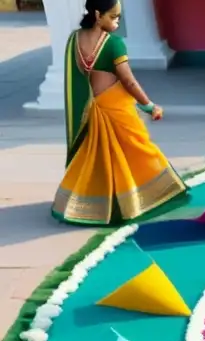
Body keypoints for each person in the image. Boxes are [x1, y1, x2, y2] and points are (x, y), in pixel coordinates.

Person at [52, 0, 187, 226]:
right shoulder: (114, 44)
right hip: (116, 108)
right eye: (113, 17)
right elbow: (129, 81)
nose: (117, 22)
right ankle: (148, 196)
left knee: (98, 159)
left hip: (93, 107)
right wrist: (149, 105)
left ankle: (91, 203)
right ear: (97, 15)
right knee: (139, 149)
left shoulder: (74, 39)